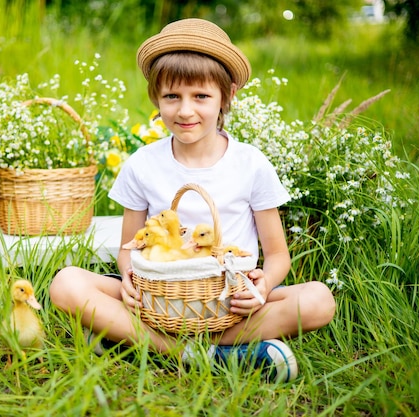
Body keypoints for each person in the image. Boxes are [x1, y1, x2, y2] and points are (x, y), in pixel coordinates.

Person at [49, 18, 336, 382]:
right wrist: (128, 277)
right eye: (172, 96)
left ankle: (140, 342)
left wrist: (262, 288)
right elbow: (128, 246)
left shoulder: (250, 163)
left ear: (227, 95)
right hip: (161, 298)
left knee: (318, 300)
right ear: (156, 98)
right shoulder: (142, 164)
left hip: (229, 302)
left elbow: (278, 255)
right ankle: (203, 354)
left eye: (201, 96)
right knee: (66, 284)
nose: (185, 111)